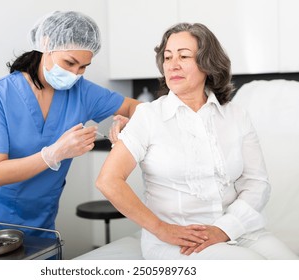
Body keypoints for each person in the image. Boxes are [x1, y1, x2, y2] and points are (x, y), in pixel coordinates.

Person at [96, 22, 298, 259]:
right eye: (168, 57)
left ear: (208, 63)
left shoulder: (236, 115)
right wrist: (162, 229)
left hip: (239, 230)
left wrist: (225, 228)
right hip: (181, 240)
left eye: (184, 56)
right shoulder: (148, 116)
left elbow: (257, 183)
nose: (173, 65)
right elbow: (108, 181)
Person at [0, 11, 139, 238]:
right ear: (46, 44)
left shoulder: (82, 92)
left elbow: (136, 107)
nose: (75, 74)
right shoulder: (0, 94)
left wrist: (126, 120)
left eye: (83, 67)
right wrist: (54, 154)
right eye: (69, 62)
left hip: (41, 218)